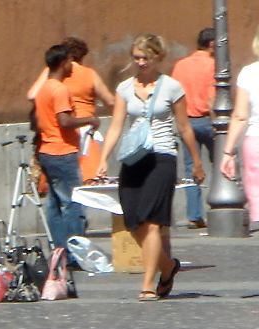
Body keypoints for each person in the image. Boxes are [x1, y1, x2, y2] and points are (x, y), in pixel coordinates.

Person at [96, 34, 205, 301]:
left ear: (158, 57)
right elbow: (117, 126)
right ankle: (167, 266)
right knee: (133, 220)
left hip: (162, 157)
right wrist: (102, 158)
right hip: (133, 159)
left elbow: (184, 126)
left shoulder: (172, 87)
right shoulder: (124, 88)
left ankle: (147, 285)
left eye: (146, 58)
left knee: (152, 221)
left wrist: (196, 161)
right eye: (136, 58)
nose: (141, 63)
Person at [34, 45, 101, 252]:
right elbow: (64, 120)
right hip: (62, 152)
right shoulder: (60, 89)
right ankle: (75, 252)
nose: (72, 66)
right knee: (73, 203)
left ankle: (59, 249)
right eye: (70, 62)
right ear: (63, 63)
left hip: (47, 151)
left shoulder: (44, 88)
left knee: (54, 204)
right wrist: (90, 119)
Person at [27, 37, 115, 184]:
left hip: (56, 135)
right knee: (88, 185)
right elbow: (110, 101)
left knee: (59, 188)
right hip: (84, 131)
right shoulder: (89, 74)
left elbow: (32, 95)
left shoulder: (52, 73)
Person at [172, 28, 217, 229]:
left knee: (192, 168)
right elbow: (212, 98)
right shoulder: (214, 64)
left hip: (186, 122)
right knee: (222, 165)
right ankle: (220, 207)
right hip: (208, 120)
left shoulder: (180, 66)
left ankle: (194, 215)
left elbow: (173, 95)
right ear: (212, 44)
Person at [219, 26, 259, 226]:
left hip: (255, 139)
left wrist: (228, 152)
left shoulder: (249, 73)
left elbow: (240, 115)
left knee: (256, 190)